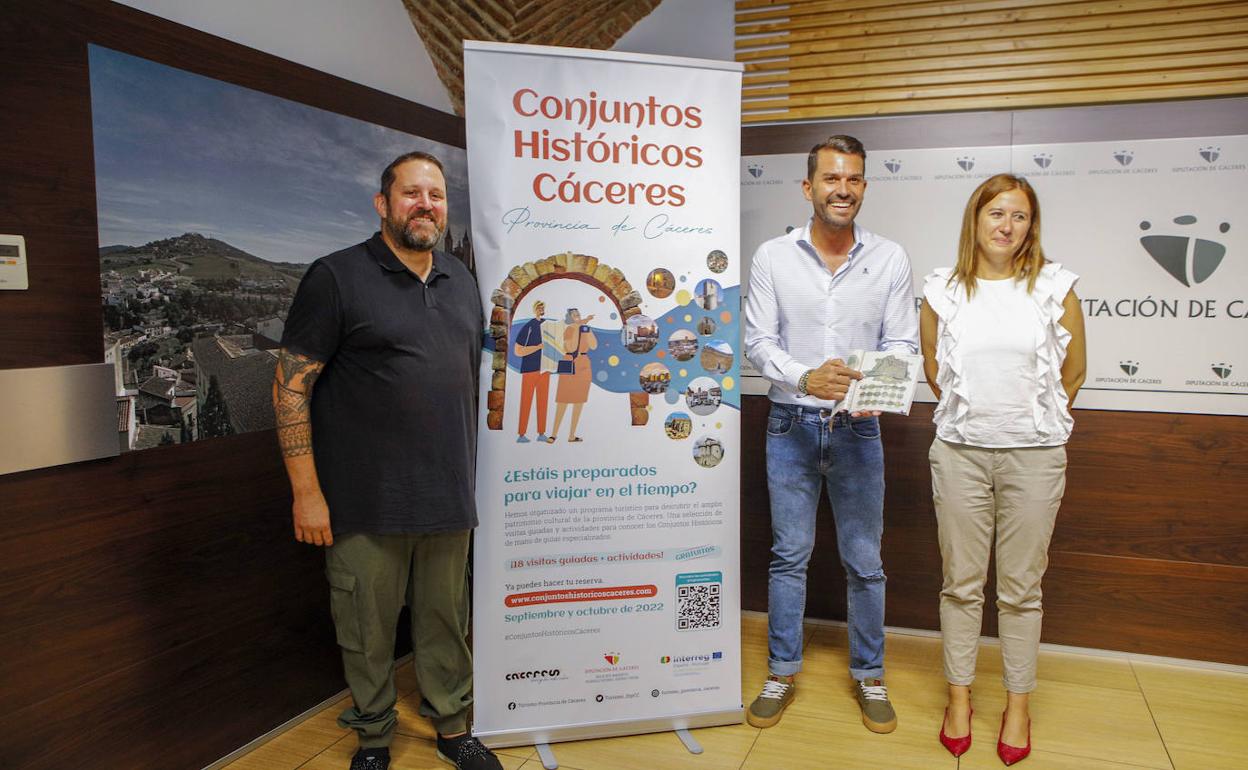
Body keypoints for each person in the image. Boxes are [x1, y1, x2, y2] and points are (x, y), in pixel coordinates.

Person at [272, 151, 502, 770]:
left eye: (437, 195)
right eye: (411, 194)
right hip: (363, 502)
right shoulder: (337, 277)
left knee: (445, 622)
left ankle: (454, 729)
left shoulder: (461, 280)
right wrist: (306, 493)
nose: (426, 205)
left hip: (447, 498)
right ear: (383, 204)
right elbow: (291, 385)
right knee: (366, 631)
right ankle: (374, 737)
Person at [743, 135, 918, 733]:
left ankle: (870, 676)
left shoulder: (890, 257)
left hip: (857, 430)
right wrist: (804, 377)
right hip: (789, 424)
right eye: (832, 179)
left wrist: (874, 389)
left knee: (865, 561)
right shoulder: (772, 256)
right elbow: (759, 342)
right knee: (789, 556)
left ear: (864, 186)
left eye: (854, 180)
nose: (843, 189)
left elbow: (902, 344)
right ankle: (781, 671)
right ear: (808, 186)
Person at [920, 174, 1086, 766]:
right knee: (961, 585)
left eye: (1018, 216)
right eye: (995, 213)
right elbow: (938, 372)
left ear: (1030, 225)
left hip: (1035, 457)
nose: (1005, 225)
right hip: (961, 452)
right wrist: (983, 419)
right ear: (976, 219)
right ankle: (959, 699)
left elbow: (1073, 374)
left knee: (1021, 591)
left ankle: (1018, 706)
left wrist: (1023, 423)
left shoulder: (1055, 287)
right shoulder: (942, 289)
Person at [547, 308, 597, 443]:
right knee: (563, 401)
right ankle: (553, 434)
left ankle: (571, 435)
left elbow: (593, 346)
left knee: (579, 401)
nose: (578, 317)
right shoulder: (569, 329)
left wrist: (588, 330)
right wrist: (577, 327)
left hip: (584, 364)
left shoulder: (585, 328)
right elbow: (571, 347)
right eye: (575, 315)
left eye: (579, 315)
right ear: (570, 318)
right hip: (570, 363)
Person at [513, 300, 550, 443]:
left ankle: (541, 433)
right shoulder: (528, 326)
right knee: (526, 401)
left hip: (545, 369)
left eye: (543, 307)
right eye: (539, 307)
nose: (541, 309)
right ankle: (521, 434)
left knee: (543, 402)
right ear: (535, 309)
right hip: (530, 370)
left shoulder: (549, 326)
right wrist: (538, 347)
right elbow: (518, 351)